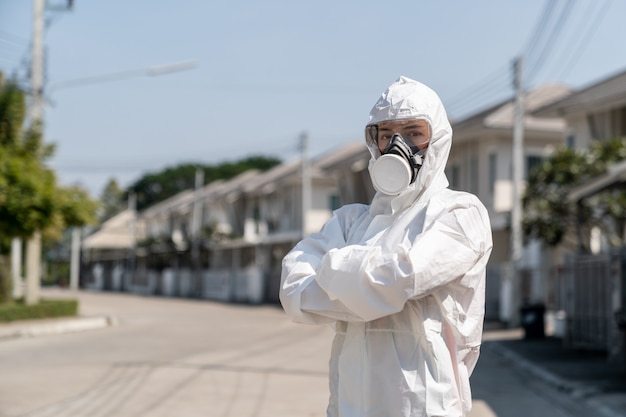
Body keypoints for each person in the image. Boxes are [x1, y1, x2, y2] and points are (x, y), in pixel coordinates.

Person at [280, 76, 493, 417]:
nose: (398, 146)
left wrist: (329, 273)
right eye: (387, 135)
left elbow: (398, 278)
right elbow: (293, 291)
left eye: (413, 133)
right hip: (350, 405)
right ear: (373, 142)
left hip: (424, 405)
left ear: (436, 139)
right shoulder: (351, 220)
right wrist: (367, 290)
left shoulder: (459, 214)